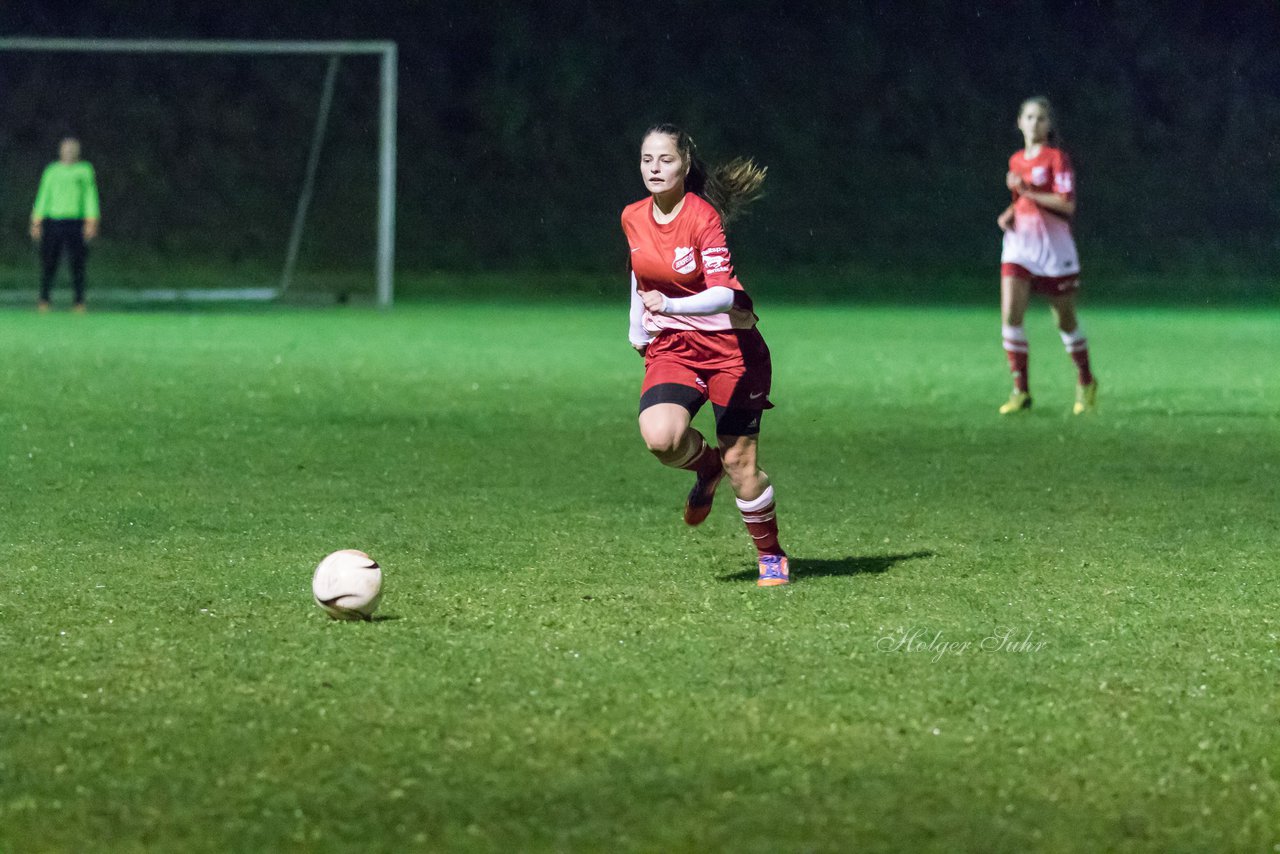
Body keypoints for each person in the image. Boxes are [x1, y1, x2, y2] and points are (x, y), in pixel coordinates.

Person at [621, 123, 790, 587]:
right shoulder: (633, 215)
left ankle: (771, 554)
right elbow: (641, 273)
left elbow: (722, 296)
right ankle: (705, 465)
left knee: (742, 465)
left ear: (685, 165)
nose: (654, 169)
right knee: (661, 438)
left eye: (665, 160)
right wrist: (638, 327)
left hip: (731, 352)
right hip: (674, 347)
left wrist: (671, 306)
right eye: (647, 160)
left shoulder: (702, 217)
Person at [996, 97, 1097, 415]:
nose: (1034, 123)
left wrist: (1027, 193)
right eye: (1029, 117)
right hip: (1019, 247)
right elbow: (1023, 201)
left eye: (1041, 118)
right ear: (1019, 122)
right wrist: (1010, 213)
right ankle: (1021, 391)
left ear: (1049, 125)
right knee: (1011, 315)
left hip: (1054, 250)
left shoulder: (1057, 159)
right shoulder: (1015, 161)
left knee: (1065, 322)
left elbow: (1066, 205)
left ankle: (1086, 380)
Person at [30, 137, 100, 313]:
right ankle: (44, 300)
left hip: (76, 222)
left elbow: (90, 196)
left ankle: (79, 302)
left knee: (77, 263)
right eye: (66, 149)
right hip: (53, 221)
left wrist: (91, 220)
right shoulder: (52, 171)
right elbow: (43, 195)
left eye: (72, 149)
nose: (69, 153)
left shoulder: (84, 170)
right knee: (48, 262)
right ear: (60, 151)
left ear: (78, 152)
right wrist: (36, 221)